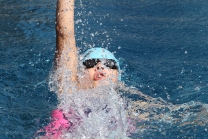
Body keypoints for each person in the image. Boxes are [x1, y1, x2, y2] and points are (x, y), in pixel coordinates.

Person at [35, 0, 134, 138]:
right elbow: (64, 32)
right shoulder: (70, 91)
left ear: (118, 76)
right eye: (91, 63)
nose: (100, 66)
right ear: (78, 74)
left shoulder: (129, 107)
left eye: (109, 64)